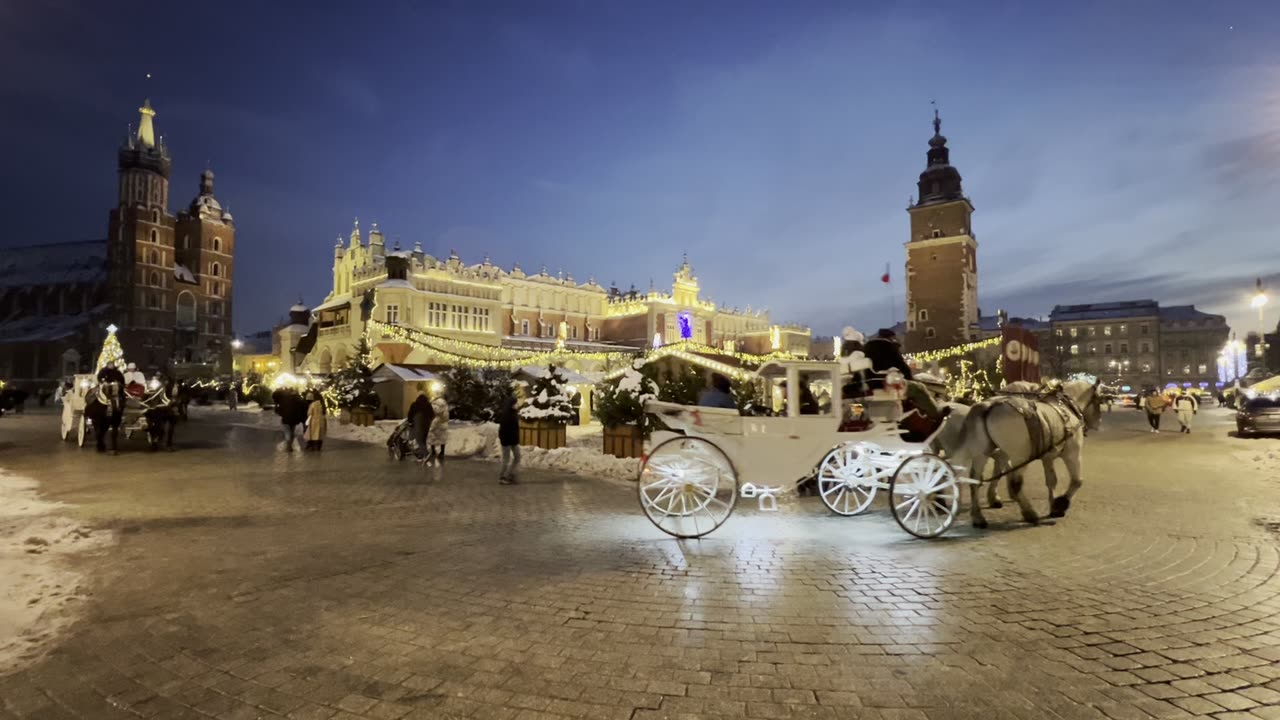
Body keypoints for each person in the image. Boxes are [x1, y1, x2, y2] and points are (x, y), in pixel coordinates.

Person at [498, 395, 521, 484]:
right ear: (511, 404)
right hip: (507, 441)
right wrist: (504, 440)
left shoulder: (514, 413)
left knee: (517, 457)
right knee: (506, 459)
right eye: (516, 403)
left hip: (513, 440)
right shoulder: (506, 415)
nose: (517, 404)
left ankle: (510, 474)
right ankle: (502, 477)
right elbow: (503, 429)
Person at [408, 392, 434, 460]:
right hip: (427, 423)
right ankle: (422, 455)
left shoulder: (415, 404)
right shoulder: (428, 405)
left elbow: (410, 414)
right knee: (423, 439)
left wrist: (410, 422)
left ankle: (426, 454)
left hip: (418, 422)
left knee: (419, 439)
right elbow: (432, 415)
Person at [426, 393, 450, 464]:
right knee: (442, 438)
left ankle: (433, 451)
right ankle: (442, 452)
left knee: (432, 436)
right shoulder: (445, 404)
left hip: (437, 422)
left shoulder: (435, 404)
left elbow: (433, 412)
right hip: (444, 423)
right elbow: (446, 414)